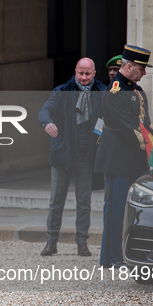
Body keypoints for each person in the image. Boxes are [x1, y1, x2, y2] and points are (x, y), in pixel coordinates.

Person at [38, 58, 106, 257]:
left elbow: (107, 117)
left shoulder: (102, 93)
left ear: (94, 73)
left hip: (86, 156)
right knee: (56, 201)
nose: (84, 78)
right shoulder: (61, 91)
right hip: (63, 154)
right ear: (75, 71)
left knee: (84, 201)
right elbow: (45, 110)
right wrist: (47, 123)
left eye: (88, 74)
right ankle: (51, 242)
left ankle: (82, 243)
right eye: (81, 73)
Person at [94, 45, 153, 268]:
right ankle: (111, 257)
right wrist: (151, 146)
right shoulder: (115, 91)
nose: (144, 73)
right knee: (115, 208)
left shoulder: (136, 91)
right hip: (118, 158)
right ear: (128, 67)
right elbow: (128, 129)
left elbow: (145, 124)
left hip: (135, 160)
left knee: (136, 208)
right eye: (141, 68)